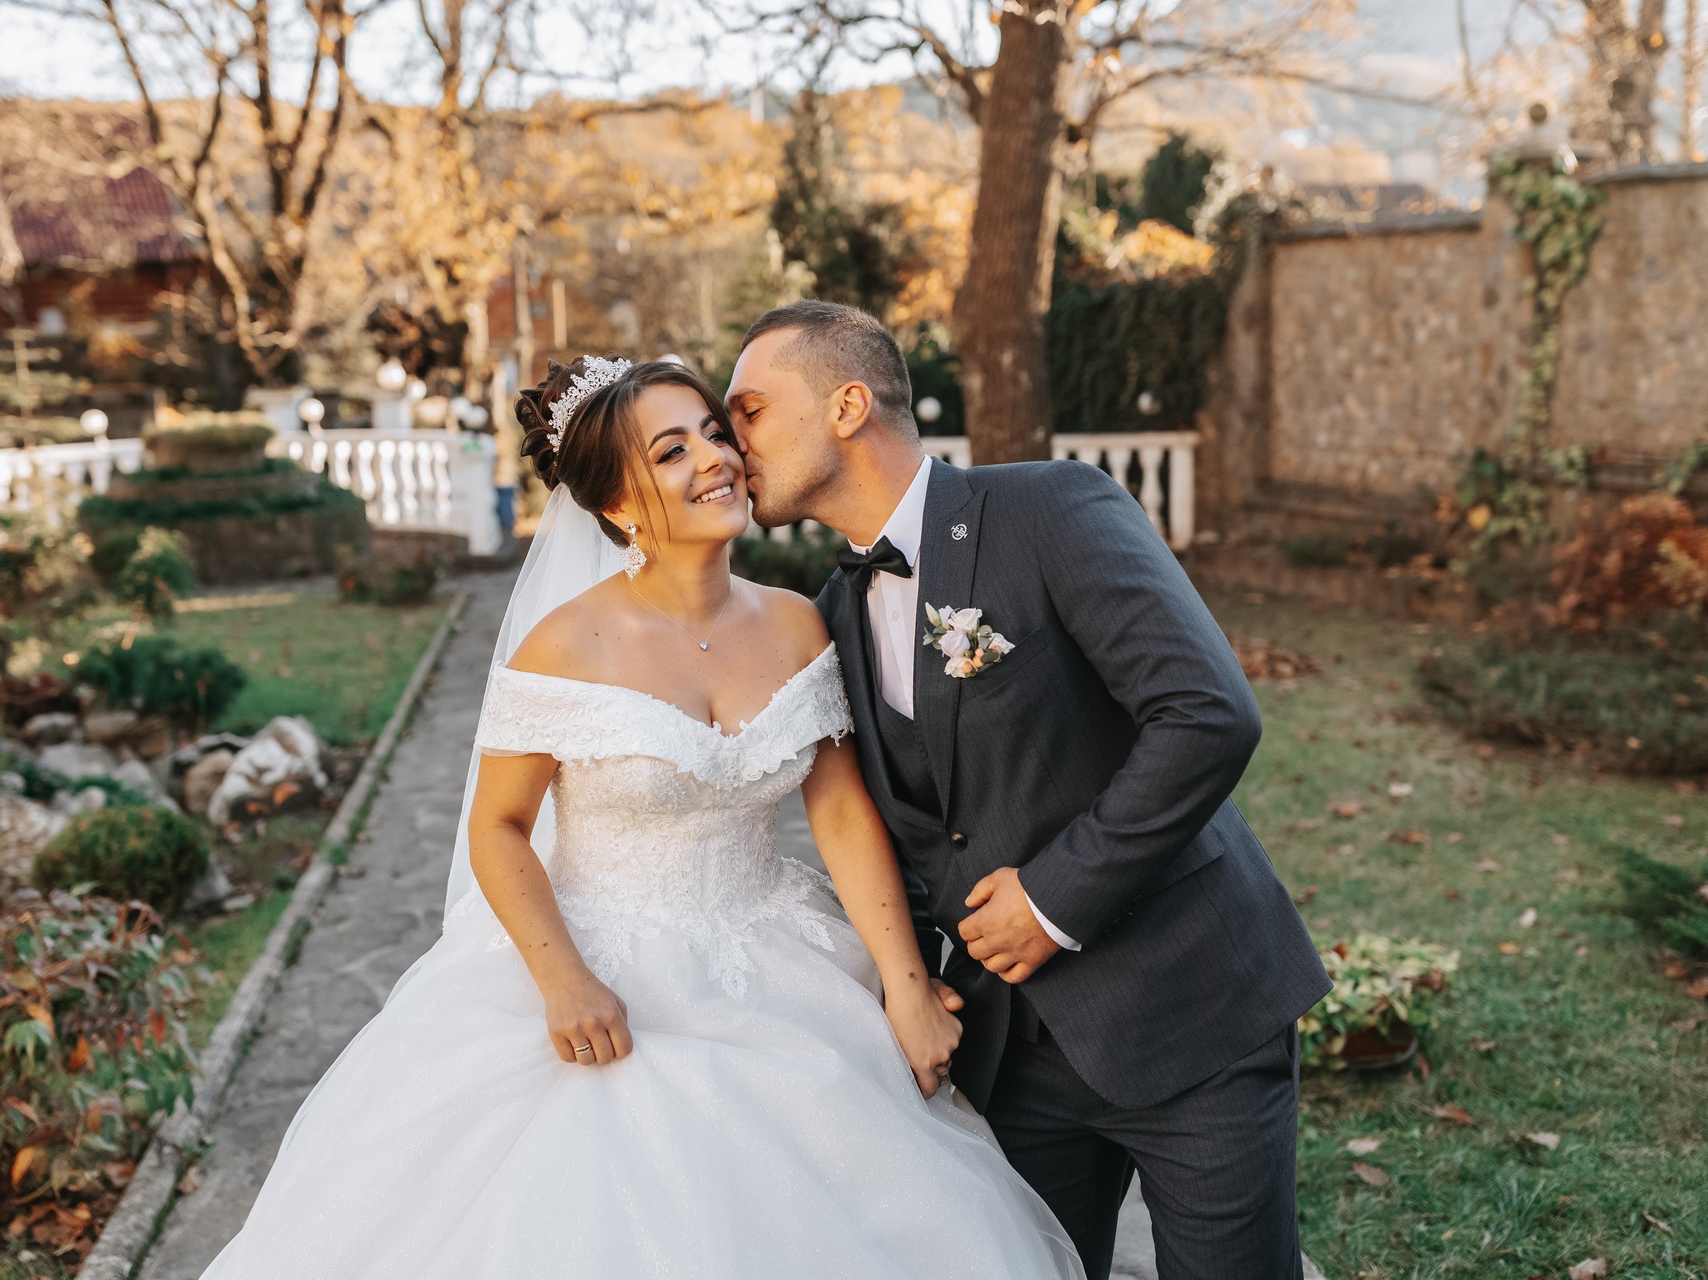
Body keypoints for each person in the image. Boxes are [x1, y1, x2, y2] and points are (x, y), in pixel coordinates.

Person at [198, 354, 1084, 1279]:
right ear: (619, 507)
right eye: (671, 452)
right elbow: (498, 829)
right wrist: (564, 981)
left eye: (712, 432)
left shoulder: (796, 625)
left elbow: (842, 815)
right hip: (595, 964)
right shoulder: (565, 645)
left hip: (775, 960)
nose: (715, 458)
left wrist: (903, 984)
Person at [725, 300, 1333, 1280]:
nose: (731, 440)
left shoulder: (1050, 507)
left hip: (1187, 1008)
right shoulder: (832, 612)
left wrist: (1054, 900)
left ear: (846, 405)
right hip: (1006, 1046)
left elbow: (1206, 712)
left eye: (749, 409)